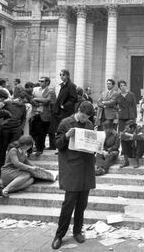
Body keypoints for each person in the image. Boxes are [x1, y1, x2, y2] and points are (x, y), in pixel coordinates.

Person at [51, 101, 96, 250]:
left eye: (87, 117)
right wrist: (66, 136)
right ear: (78, 111)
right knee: (68, 203)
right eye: (83, 116)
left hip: (86, 167)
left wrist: (98, 145)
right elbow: (57, 144)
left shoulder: (89, 124)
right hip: (71, 167)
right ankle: (59, 235)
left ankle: (77, 231)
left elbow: (91, 144)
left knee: (82, 203)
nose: (85, 120)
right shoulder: (65, 123)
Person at [0, 91, 29, 175]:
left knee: (13, 148)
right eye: (23, 101)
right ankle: (0, 167)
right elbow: (0, 113)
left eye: (25, 102)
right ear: (19, 98)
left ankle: (11, 166)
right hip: (5, 128)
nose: (23, 103)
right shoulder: (8, 103)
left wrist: (21, 128)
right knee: (3, 148)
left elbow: (24, 118)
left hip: (16, 129)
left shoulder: (23, 107)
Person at [50, 69, 77, 151]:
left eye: (63, 75)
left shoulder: (71, 85)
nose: (61, 76)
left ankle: (63, 147)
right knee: (54, 129)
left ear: (68, 75)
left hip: (65, 112)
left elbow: (73, 98)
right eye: (60, 75)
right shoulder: (63, 85)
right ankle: (55, 146)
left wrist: (64, 106)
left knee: (63, 129)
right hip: (58, 111)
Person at [31, 77, 56, 156]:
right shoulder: (36, 89)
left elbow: (47, 100)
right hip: (36, 113)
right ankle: (39, 145)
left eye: (42, 81)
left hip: (45, 114)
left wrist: (36, 99)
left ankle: (39, 149)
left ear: (47, 82)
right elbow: (31, 98)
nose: (40, 82)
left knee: (41, 133)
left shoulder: (51, 91)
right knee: (33, 131)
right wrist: (38, 100)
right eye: (39, 81)